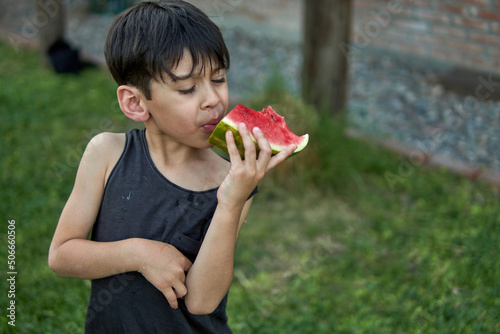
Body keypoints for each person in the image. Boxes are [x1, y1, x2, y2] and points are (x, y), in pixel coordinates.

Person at [48, 0, 296, 333]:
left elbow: (202, 300)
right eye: (188, 88)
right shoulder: (106, 154)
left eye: (219, 79)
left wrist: (232, 200)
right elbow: (62, 256)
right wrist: (138, 254)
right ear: (136, 103)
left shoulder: (232, 179)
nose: (213, 99)